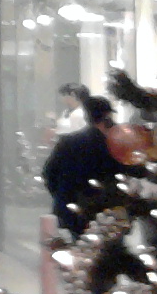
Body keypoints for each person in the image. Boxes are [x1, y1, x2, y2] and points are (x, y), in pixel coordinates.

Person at [43, 94, 122, 235]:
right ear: (107, 117)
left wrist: (62, 196)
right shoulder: (112, 146)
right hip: (104, 212)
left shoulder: (67, 142)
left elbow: (49, 173)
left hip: (70, 211)